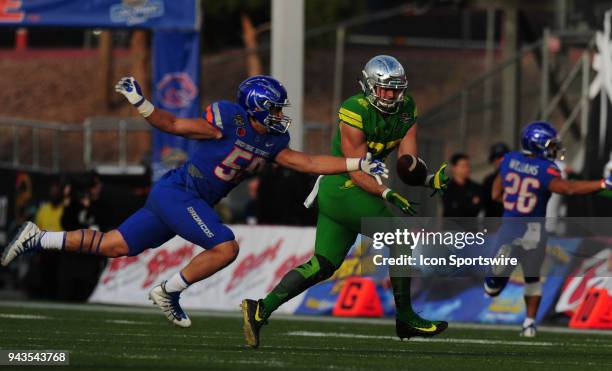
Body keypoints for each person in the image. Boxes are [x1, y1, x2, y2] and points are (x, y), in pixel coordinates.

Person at [1, 75, 388, 327]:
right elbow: (172, 125)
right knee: (225, 246)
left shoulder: (273, 141)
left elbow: (305, 161)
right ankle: (168, 289)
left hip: (182, 198)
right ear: (253, 107)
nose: (278, 115)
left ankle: (38, 238)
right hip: (180, 193)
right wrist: (141, 102)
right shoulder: (226, 119)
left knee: (113, 245)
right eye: (272, 108)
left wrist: (356, 162)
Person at [241, 55, 449, 348]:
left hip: (350, 192)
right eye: (383, 89)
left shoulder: (407, 108)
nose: (390, 96)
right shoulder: (354, 110)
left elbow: (408, 161)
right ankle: (405, 317)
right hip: (345, 186)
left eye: (394, 89)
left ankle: (260, 309)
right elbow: (357, 168)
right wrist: (386, 193)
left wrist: (425, 178)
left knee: (323, 264)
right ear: (368, 86)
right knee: (401, 237)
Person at [484, 121, 612, 337]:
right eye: (550, 145)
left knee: (493, 287)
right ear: (537, 145)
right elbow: (568, 188)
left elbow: (495, 193)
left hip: (512, 226)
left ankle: (497, 275)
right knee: (532, 278)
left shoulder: (509, 159)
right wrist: (603, 184)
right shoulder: (546, 169)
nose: (554, 149)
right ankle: (530, 323)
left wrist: (508, 200)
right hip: (535, 230)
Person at [481, 143, 510, 217]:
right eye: (497, 158)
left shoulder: (515, 177)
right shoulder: (488, 180)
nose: (500, 160)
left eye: (502, 157)